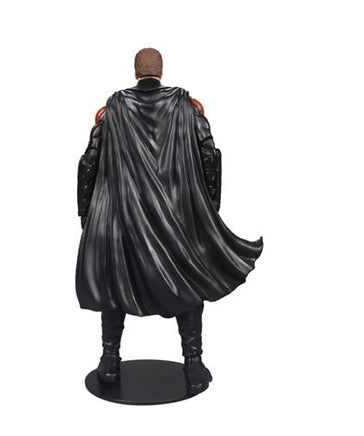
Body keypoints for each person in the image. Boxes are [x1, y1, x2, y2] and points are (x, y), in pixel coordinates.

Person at [76, 48, 263, 395]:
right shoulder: (187, 108)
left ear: (137, 72)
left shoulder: (112, 110)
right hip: (177, 216)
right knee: (188, 284)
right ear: (160, 72)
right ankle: (193, 364)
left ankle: (110, 361)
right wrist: (209, 208)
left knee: (115, 285)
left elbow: (89, 161)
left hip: (122, 217)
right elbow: (210, 156)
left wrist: (86, 212)